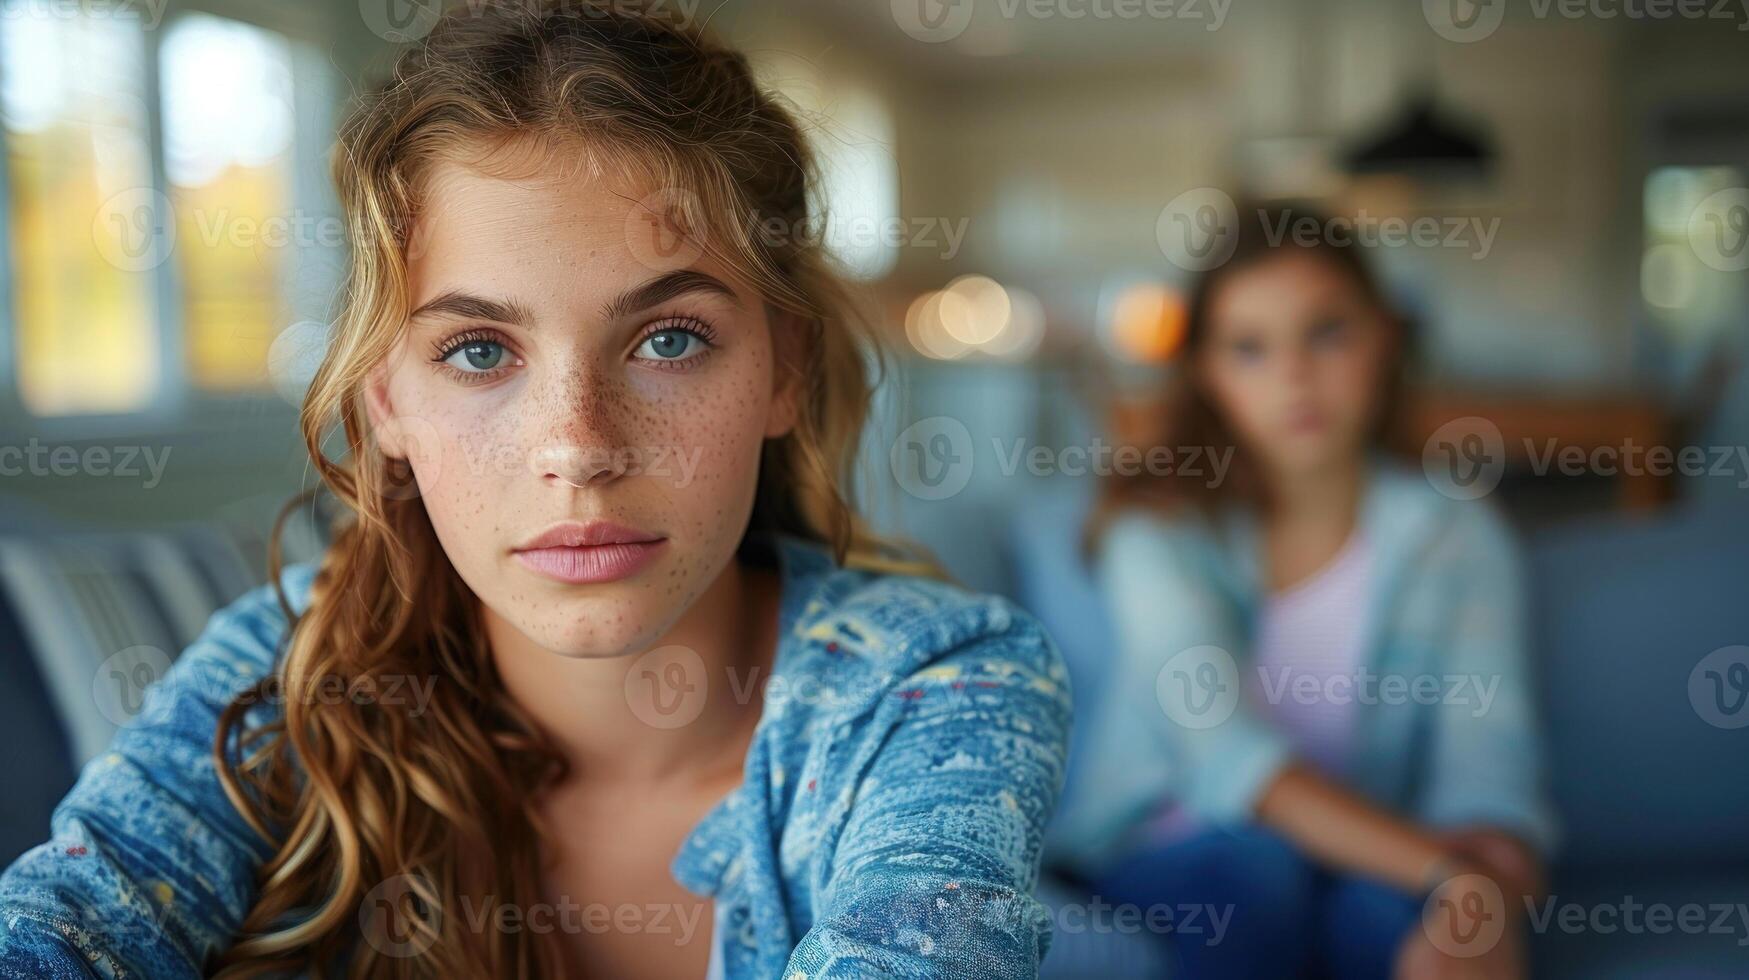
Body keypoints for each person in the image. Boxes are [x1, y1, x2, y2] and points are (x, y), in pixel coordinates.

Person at [0, 3, 1071, 977]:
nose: (579, 447)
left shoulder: (940, 687)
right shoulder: (289, 670)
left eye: (667, 337)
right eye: (477, 350)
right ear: (385, 404)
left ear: (784, 369)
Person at [1051, 202, 1555, 979]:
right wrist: (1451, 874)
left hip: (1369, 855)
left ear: (1384, 336)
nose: (1293, 374)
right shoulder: (1155, 528)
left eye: (1326, 332)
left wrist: (1483, 895)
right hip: (1167, 841)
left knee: (1389, 917)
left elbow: (1487, 768)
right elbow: (1221, 755)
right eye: (1249, 348)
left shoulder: (1457, 535)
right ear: (1207, 374)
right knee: (1255, 877)